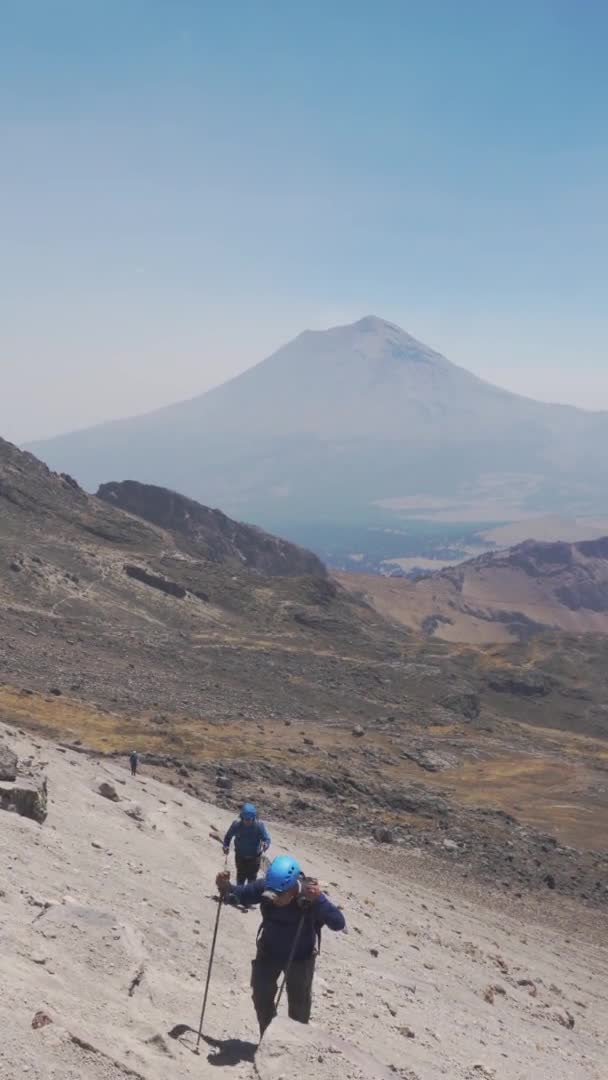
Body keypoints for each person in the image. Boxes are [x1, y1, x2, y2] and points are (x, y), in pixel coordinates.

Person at [216, 854, 345, 1036]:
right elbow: (239, 894)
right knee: (261, 995)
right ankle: (268, 1038)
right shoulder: (266, 888)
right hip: (269, 952)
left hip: (300, 958)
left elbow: (338, 923)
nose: (275, 899)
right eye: (273, 894)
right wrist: (225, 887)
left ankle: (295, 1044)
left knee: (299, 1006)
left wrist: (319, 900)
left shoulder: (309, 896)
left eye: (281, 895)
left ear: (293, 887)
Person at [223, 803, 271, 885]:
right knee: (240, 879)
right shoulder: (236, 825)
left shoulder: (259, 826)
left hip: (254, 858)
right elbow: (228, 837)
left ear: (253, 818)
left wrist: (266, 844)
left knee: (252, 881)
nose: (247, 822)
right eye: (245, 819)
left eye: (249, 819)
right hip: (240, 858)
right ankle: (238, 896)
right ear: (242, 817)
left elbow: (266, 838)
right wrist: (225, 846)